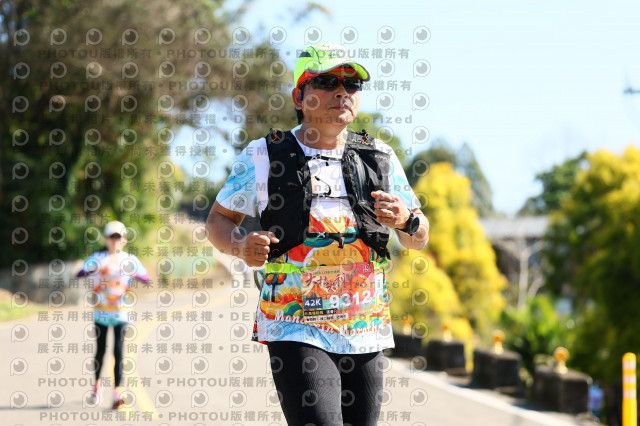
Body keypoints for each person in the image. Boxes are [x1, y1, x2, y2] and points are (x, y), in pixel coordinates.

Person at [207, 43, 429, 426]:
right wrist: (240, 245)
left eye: (351, 84)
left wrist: (406, 220)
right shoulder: (263, 155)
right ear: (299, 96)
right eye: (327, 82)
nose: (342, 92)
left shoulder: (379, 156)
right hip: (294, 323)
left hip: (365, 326)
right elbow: (218, 220)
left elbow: (419, 236)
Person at [76, 220, 150, 409]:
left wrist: (134, 273)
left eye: (118, 237)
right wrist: (93, 268)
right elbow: (80, 273)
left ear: (124, 240)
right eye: (111, 237)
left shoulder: (129, 260)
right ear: (106, 239)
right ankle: (96, 388)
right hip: (101, 312)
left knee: (118, 350)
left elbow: (147, 278)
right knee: (100, 350)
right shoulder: (98, 257)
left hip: (121, 313)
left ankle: (117, 392)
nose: (115, 241)